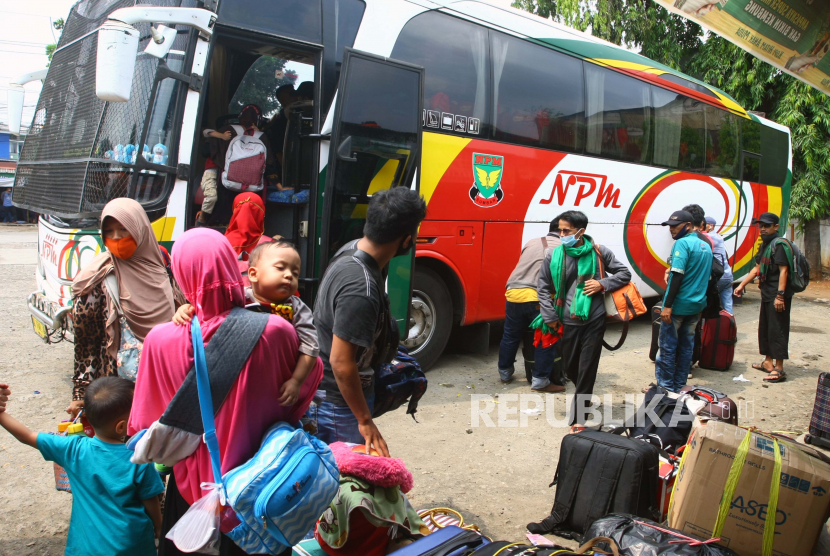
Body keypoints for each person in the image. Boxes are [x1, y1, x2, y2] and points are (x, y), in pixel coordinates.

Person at [128, 228, 322, 555]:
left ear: (180, 277)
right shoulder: (277, 330)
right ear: (237, 270)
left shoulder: (159, 342)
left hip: (193, 498)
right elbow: (303, 391)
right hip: (263, 488)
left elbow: (142, 430)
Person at [310, 187, 427, 454]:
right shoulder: (360, 288)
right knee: (347, 487)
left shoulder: (352, 249)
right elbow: (340, 362)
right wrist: (364, 420)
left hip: (337, 399)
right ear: (407, 240)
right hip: (339, 406)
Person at [0, 377, 164, 556]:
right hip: (132, 544)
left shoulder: (73, 448)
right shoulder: (138, 459)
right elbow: (150, 501)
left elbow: (27, 436)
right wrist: (158, 526)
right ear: (122, 426)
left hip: (85, 547)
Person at [173, 239, 319, 406]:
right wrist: (187, 309)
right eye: (280, 268)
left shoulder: (298, 309)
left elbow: (310, 346)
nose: (289, 275)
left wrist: (296, 381)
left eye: (295, 273)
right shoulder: (238, 297)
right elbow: (210, 313)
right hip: (237, 376)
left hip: (276, 379)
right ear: (253, 274)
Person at [68, 198, 178, 417]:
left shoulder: (163, 264)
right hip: (121, 394)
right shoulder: (98, 279)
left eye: (123, 229)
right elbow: (85, 344)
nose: (116, 238)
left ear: (140, 228)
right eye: (109, 231)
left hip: (167, 380)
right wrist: (81, 395)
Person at [537, 210, 631, 431]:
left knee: (587, 367)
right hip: (565, 321)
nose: (561, 234)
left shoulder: (600, 253)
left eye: (566, 230)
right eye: (559, 229)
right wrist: (549, 316)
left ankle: (578, 417)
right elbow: (542, 287)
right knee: (570, 367)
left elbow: (624, 273)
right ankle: (585, 396)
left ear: (581, 231)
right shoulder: (553, 255)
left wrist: (602, 284)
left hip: (594, 319)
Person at [498, 217, 565, 393]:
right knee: (546, 337)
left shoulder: (532, 242)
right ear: (563, 230)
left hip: (513, 293)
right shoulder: (562, 248)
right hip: (537, 297)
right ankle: (541, 381)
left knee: (510, 335)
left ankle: (504, 373)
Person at [656, 210, 713, 392]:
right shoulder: (705, 245)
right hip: (696, 305)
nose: (672, 230)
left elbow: (677, 276)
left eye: (675, 226)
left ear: (688, 225)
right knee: (687, 346)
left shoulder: (682, 243)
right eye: (670, 227)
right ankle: (680, 384)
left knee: (667, 347)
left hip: (678, 306)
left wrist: (668, 305)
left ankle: (665, 387)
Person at [733, 212, 791, 383]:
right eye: (761, 226)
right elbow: (757, 268)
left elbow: (784, 271)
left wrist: (780, 296)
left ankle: (779, 368)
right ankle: (768, 361)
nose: (763, 229)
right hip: (767, 293)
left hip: (777, 294)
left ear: (776, 227)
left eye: (767, 225)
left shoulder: (779, 245)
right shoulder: (765, 245)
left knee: (778, 329)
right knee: (765, 328)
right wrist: (742, 285)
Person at [196, 104, 275, 226]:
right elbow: (270, 164)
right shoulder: (262, 137)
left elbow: (205, 151)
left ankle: (202, 222)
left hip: (224, 185)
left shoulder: (226, 130)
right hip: (252, 188)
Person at [704, 215, 734, 314]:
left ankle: (708, 327)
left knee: (710, 302)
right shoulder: (718, 236)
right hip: (728, 274)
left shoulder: (710, 237)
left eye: (705, 224)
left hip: (719, 276)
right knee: (727, 304)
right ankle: (729, 324)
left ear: (711, 226)